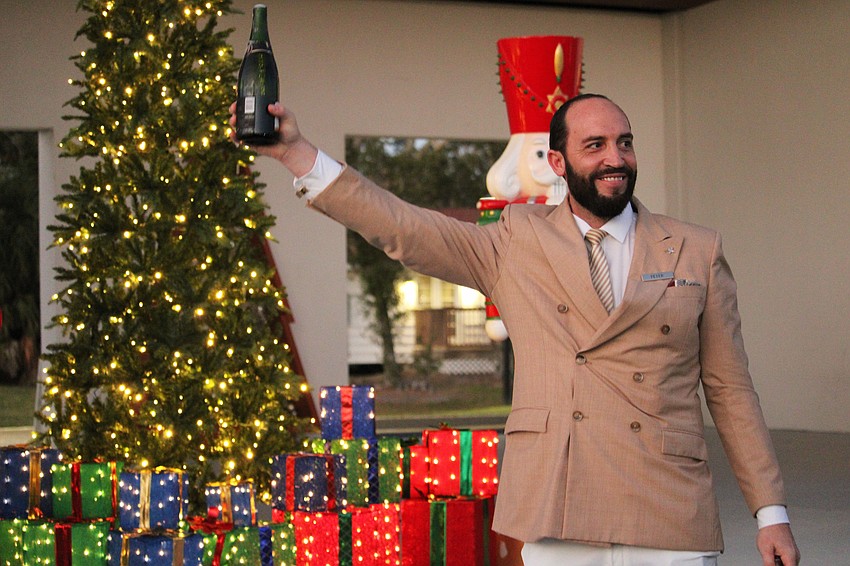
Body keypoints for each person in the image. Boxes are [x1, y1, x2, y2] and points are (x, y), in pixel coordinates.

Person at [229, 94, 800, 566]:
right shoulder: (515, 240)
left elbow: (730, 389)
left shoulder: (696, 248)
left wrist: (770, 511)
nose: (615, 158)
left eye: (624, 142)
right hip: (559, 500)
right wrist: (297, 153)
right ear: (558, 163)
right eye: (594, 145)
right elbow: (403, 226)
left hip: (668, 502)